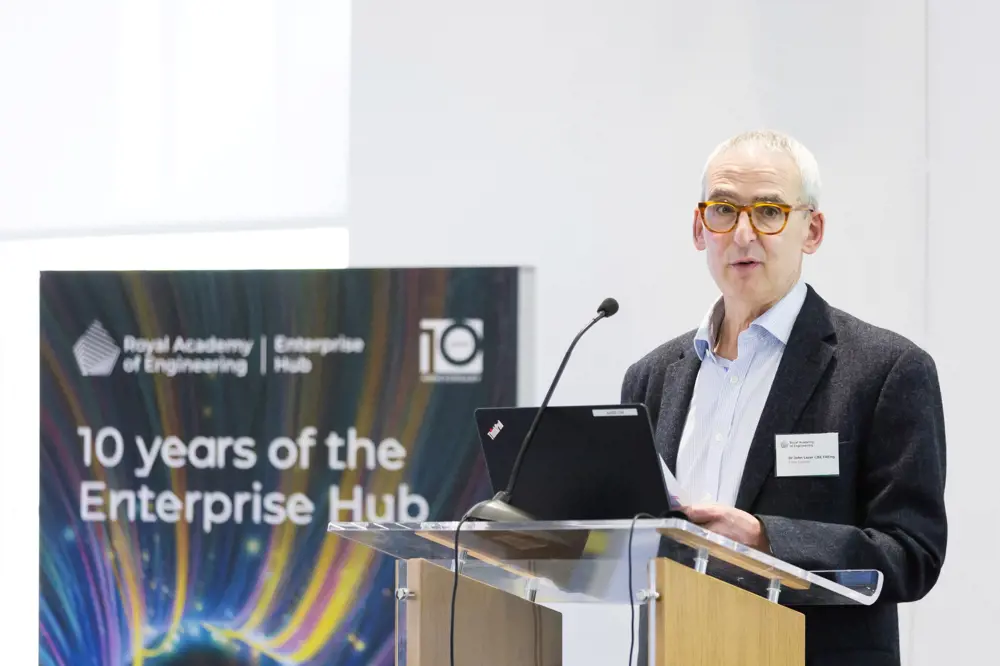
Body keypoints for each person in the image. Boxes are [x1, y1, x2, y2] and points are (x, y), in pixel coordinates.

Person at [620, 130, 947, 666]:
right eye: (724, 210)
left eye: (769, 211)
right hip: (677, 648)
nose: (744, 234)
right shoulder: (652, 378)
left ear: (811, 230)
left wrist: (766, 540)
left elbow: (913, 554)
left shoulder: (886, 370)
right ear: (700, 228)